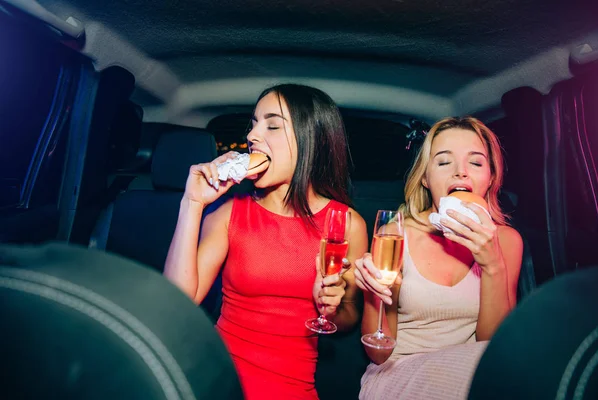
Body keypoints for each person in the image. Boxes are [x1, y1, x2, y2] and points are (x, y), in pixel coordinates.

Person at [163, 84, 368, 400]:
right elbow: (176, 302)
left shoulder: (347, 224)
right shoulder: (229, 213)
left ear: (310, 140)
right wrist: (192, 203)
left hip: (292, 387)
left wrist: (329, 307)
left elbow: (349, 319)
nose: (253, 136)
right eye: (254, 124)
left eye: (272, 125)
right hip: (216, 380)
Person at [354, 116, 523, 400]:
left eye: (476, 162)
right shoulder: (395, 235)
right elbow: (378, 352)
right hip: (396, 376)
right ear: (425, 178)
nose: (461, 172)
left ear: (491, 177)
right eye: (444, 162)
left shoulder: (505, 240)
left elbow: (493, 346)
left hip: (472, 377)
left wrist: (492, 265)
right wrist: (374, 294)